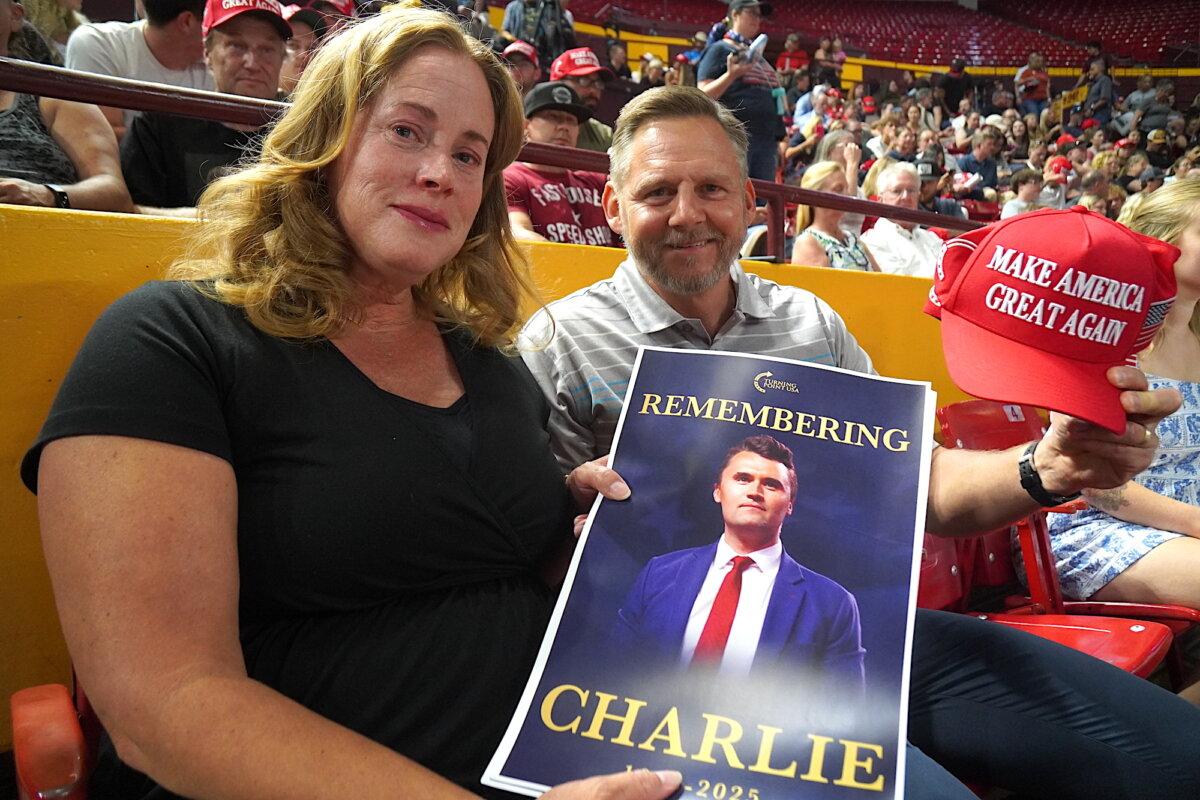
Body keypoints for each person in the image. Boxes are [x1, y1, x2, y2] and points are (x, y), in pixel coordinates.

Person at [21, 7, 680, 799]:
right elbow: (165, 706)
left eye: (469, 155)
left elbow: (487, 574)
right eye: (408, 131)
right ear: (324, 140)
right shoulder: (169, 343)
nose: (441, 171)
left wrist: (573, 534)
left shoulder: (494, 367)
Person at [520, 84, 1200, 800]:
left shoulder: (810, 322)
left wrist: (1048, 464)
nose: (688, 214)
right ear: (613, 207)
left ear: (751, 202)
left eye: (712, 189)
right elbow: (531, 560)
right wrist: (568, 538)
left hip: (863, 638)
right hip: (681, 677)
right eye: (658, 191)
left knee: (1176, 756)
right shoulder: (561, 342)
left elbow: (921, 487)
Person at [1045, 180, 1200, 608]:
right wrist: (1194, 521)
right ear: (1164, 242)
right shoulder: (1110, 340)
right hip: (1097, 529)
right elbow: (1091, 483)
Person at [614, 435, 865, 685]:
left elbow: (843, 711)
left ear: (790, 505)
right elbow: (612, 670)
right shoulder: (658, 573)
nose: (754, 492)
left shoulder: (833, 604)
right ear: (718, 492)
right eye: (743, 479)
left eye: (771, 484)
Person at [119, 0, 290, 216]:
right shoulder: (159, 126)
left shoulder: (304, 130)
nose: (252, 62)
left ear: (282, 57)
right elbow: (127, 216)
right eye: (237, 46)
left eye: (267, 49)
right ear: (207, 54)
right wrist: (209, 220)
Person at [0, 0, 133, 212]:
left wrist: (46, 194)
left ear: (15, 15)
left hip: (41, 233)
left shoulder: (53, 97)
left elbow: (115, 195)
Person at [64, 0, 213, 139]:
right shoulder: (97, 44)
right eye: (216, 16)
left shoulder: (225, 61)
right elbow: (100, 137)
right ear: (187, 22)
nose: (226, 26)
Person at [504, 81, 615, 246]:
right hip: (554, 268)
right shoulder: (511, 178)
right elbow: (517, 233)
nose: (564, 127)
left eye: (571, 120)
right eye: (553, 117)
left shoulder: (596, 179)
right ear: (526, 127)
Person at [696, 0, 783, 183]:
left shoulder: (757, 56)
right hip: (737, 137)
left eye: (759, 15)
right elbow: (702, 95)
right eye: (751, 13)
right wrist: (731, 75)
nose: (757, 19)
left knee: (760, 199)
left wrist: (780, 135)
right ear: (735, 14)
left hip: (765, 140)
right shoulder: (719, 49)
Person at [860, 161, 944, 278]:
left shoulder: (932, 239)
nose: (906, 197)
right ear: (880, 199)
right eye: (897, 191)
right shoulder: (873, 242)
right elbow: (899, 288)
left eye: (911, 190)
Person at [790, 161, 878, 271]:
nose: (846, 195)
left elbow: (882, 281)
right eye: (838, 189)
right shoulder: (808, 242)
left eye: (846, 188)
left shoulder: (853, 239)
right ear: (815, 195)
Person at [548, 46, 614, 153]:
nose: (593, 90)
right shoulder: (534, 127)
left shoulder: (603, 134)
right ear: (557, 85)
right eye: (584, 80)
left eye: (598, 83)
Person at [278, 2, 327, 96]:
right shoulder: (250, 95)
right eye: (293, 45)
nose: (304, 55)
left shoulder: (327, 107)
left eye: (312, 49)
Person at [1014, 51, 1049, 119]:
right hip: (1030, 99)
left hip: (1043, 99)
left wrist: (1049, 98)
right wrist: (1029, 79)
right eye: (1037, 61)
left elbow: (1047, 86)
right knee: (1034, 114)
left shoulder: (1044, 72)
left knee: (1044, 116)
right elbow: (1018, 83)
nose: (1039, 63)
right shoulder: (1026, 71)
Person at [1083, 58, 1115, 126]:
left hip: (1101, 115)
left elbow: (1104, 99)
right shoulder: (1093, 83)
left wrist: (1091, 109)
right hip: (1092, 115)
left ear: (1100, 69)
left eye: (1092, 69)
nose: (1090, 72)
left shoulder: (1105, 80)